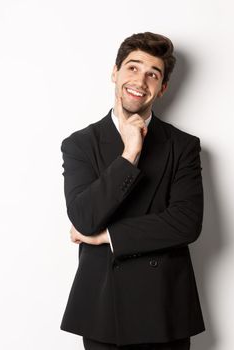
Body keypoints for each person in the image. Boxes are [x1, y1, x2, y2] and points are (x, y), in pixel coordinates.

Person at [60, 32, 205, 350]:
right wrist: (130, 154)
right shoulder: (80, 144)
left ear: (162, 87)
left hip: (164, 308)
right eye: (132, 68)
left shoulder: (182, 146)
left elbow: (186, 223)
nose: (141, 80)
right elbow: (85, 218)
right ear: (115, 72)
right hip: (104, 309)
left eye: (153, 73)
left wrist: (107, 235)